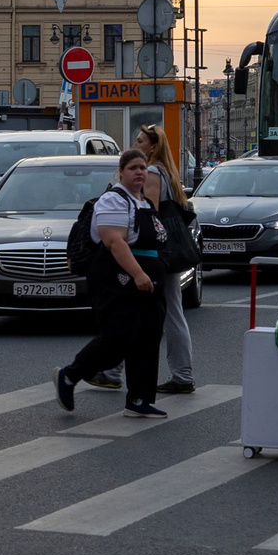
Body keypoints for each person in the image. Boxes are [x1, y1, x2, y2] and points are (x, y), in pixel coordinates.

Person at [54, 148, 172, 419]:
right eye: (133, 168)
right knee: (120, 333)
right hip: (117, 281)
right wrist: (139, 273)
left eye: (143, 167)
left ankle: (140, 398)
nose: (139, 172)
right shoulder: (113, 200)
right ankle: (69, 376)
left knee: (148, 337)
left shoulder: (143, 203)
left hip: (151, 283)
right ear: (121, 172)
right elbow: (114, 242)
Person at [139, 121, 200, 394]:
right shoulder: (167, 172)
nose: (135, 144)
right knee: (170, 311)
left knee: (163, 313)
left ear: (153, 148)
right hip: (169, 252)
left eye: (140, 141)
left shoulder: (152, 172)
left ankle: (181, 375)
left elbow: (150, 214)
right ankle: (182, 374)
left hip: (157, 253)